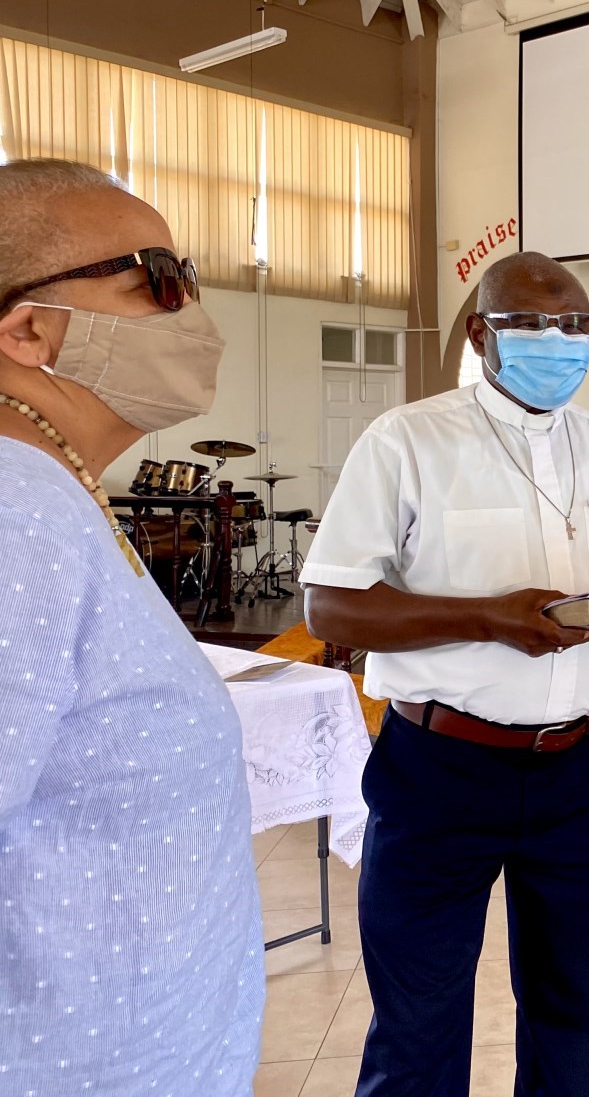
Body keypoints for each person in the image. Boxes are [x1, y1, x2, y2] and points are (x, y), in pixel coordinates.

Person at [302, 251, 589, 1097]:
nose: (558, 341)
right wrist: (487, 617)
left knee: (581, 1010)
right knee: (419, 1022)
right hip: (440, 770)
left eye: (576, 326)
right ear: (484, 333)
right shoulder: (409, 440)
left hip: (587, 768)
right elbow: (331, 609)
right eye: (533, 324)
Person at [0, 159, 262, 1093]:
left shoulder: (56, 490)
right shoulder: (14, 508)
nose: (193, 308)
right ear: (30, 330)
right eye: (157, 279)